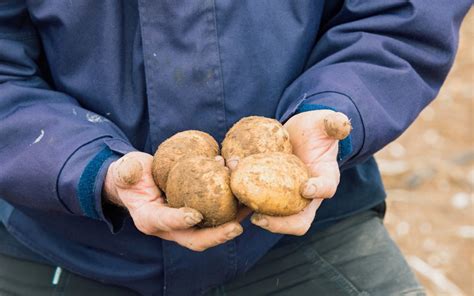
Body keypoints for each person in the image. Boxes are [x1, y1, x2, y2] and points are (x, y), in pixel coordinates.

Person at [0, 1, 470, 295]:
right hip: (67, 241)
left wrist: (336, 105)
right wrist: (87, 167)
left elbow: (400, 15)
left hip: (308, 227)